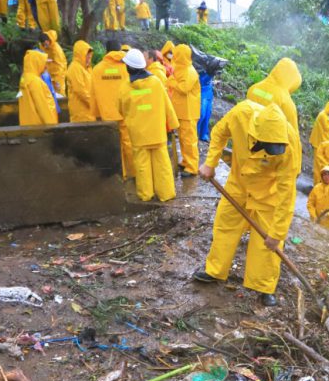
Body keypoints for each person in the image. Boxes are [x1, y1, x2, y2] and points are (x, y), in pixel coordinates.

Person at [192, 100, 295, 307]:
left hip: (268, 194)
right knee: (225, 226)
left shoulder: (289, 145)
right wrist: (210, 162)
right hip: (238, 185)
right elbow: (219, 132)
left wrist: (278, 233)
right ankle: (215, 271)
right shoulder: (240, 114)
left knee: (266, 242)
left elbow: (287, 193)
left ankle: (263, 287)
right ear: (256, 135)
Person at [119, 48, 179, 202]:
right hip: (157, 132)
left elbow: (120, 109)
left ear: (128, 67)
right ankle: (166, 194)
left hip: (138, 134)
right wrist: (173, 123)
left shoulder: (125, 87)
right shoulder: (155, 82)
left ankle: (146, 195)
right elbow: (167, 104)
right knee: (162, 164)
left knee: (142, 165)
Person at [245, 58, 303, 210]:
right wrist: (296, 167)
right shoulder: (285, 102)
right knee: (266, 197)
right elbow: (293, 137)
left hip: (248, 146)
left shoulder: (253, 89)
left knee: (244, 186)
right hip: (269, 154)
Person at [91, 40, 133, 179]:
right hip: (125, 112)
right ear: (119, 49)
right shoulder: (126, 67)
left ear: (106, 51)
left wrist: (96, 114)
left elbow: (93, 94)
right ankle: (134, 172)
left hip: (107, 114)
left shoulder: (97, 69)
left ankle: (122, 174)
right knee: (129, 143)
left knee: (115, 145)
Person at [168, 44, 201, 178]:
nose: (173, 56)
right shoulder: (179, 68)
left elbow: (184, 88)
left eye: (176, 54)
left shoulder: (189, 71)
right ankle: (186, 161)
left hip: (189, 112)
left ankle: (192, 167)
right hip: (181, 110)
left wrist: (171, 82)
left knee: (189, 140)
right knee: (182, 139)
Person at [18, 49, 57, 126]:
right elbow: (44, 108)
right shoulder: (35, 82)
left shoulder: (24, 78)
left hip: (28, 124)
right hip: (39, 126)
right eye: (43, 63)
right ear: (37, 63)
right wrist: (53, 128)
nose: (45, 66)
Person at [66, 40, 95, 122]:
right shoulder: (75, 68)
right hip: (80, 114)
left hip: (88, 113)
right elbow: (80, 90)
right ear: (80, 54)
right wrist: (94, 104)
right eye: (87, 55)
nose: (89, 57)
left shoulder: (87, 68)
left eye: (90, 55)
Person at [39, 31, 67, 96]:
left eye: (46, 44)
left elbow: (60, 65)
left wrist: (57, 78)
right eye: (43, 44)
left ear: (49, 40)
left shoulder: (57, 50)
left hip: (58, 74)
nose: (45, 46)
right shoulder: (42, 46)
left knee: (59, 92)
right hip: (48, 73)